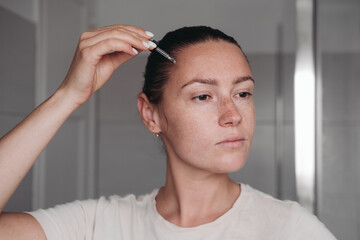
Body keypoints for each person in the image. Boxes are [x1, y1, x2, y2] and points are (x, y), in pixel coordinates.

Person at [0, 24, 336, 239]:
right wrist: (68, 96)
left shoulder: (291, 229)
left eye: (242, 93)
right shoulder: (99, 225)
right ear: (151, 115)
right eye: (203, 96)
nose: (232, 114)